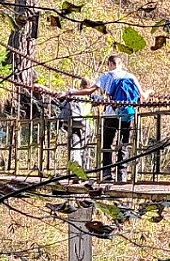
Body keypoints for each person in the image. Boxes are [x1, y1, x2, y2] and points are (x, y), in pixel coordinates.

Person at [63, 55, 150, 183]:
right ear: (121, 63)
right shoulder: (131, 76)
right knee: (124, 144)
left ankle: (107, 173)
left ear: (110, 63)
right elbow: (143, 97)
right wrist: (150, 92)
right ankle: (122, 175)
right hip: (128, 114)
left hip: (111, 114)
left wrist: (70, 93)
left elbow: (89, 91)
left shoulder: (106, 76)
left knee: (107, 143)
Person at [58, 77, 94, 171]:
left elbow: (61, 104)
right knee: (85, 149)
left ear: (81, 86)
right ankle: (84, 171)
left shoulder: (72, 94)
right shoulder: (91, 96)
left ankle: (77, 172)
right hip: (86, 124)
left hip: (72, 123)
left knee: (75, 148)